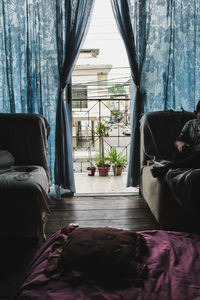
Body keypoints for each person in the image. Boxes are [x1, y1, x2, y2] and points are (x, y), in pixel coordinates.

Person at [151, 100, 200, 178]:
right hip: (191, 154)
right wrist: (181, 144)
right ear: (195, 113)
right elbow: (177, 141)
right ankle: (181, 165)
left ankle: (168, 167)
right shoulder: (190, 124)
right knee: (176, 154)